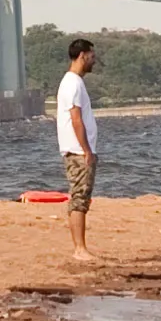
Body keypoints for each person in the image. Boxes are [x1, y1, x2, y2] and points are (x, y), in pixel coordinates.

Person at [57, 38, 99, 263]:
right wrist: (86, 150)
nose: (94, 60)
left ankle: (81, 247)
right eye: (92, 55)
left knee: (81, 198)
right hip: (77, 151)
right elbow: (76, 119)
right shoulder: (72, 83)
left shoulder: (74, 82)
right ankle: (79, 249)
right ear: (82, 55)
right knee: (79, 198)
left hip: (78, 150)